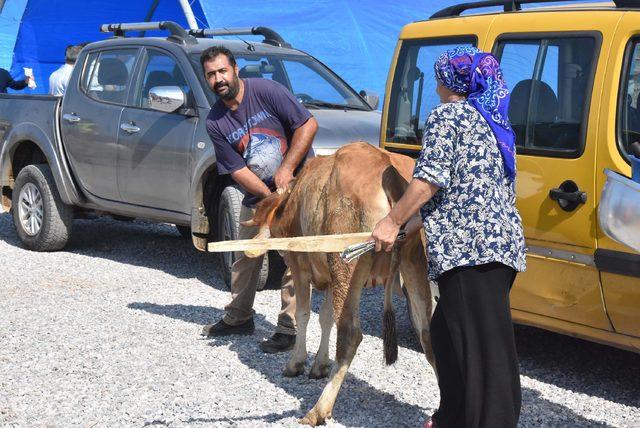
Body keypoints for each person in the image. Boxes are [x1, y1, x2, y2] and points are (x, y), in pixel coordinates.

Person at [371, 47, 527, 428]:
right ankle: (452, 416)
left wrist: (392, 220)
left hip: (470, 250)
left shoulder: (449, 116)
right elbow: (460, 190)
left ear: (454, 82)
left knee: (481, 351)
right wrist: (410, 227)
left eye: (440, 76)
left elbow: (429, 181)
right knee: (447, 333)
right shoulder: (494, 122)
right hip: (499, 247)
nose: (436, 83)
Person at [200, 46, 318, 353]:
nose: (218, 79)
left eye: (222, 71)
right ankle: (239, 317)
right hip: (261, 195)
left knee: (294, 257)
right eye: (211, 74)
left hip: (297, 187)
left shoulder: (267, 91)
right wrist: (269, 199)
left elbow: (308, 125)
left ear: (236, 69)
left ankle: (288, 327)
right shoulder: (215, 121)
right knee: (246, 254)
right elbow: (237, 169)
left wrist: (288, 169)